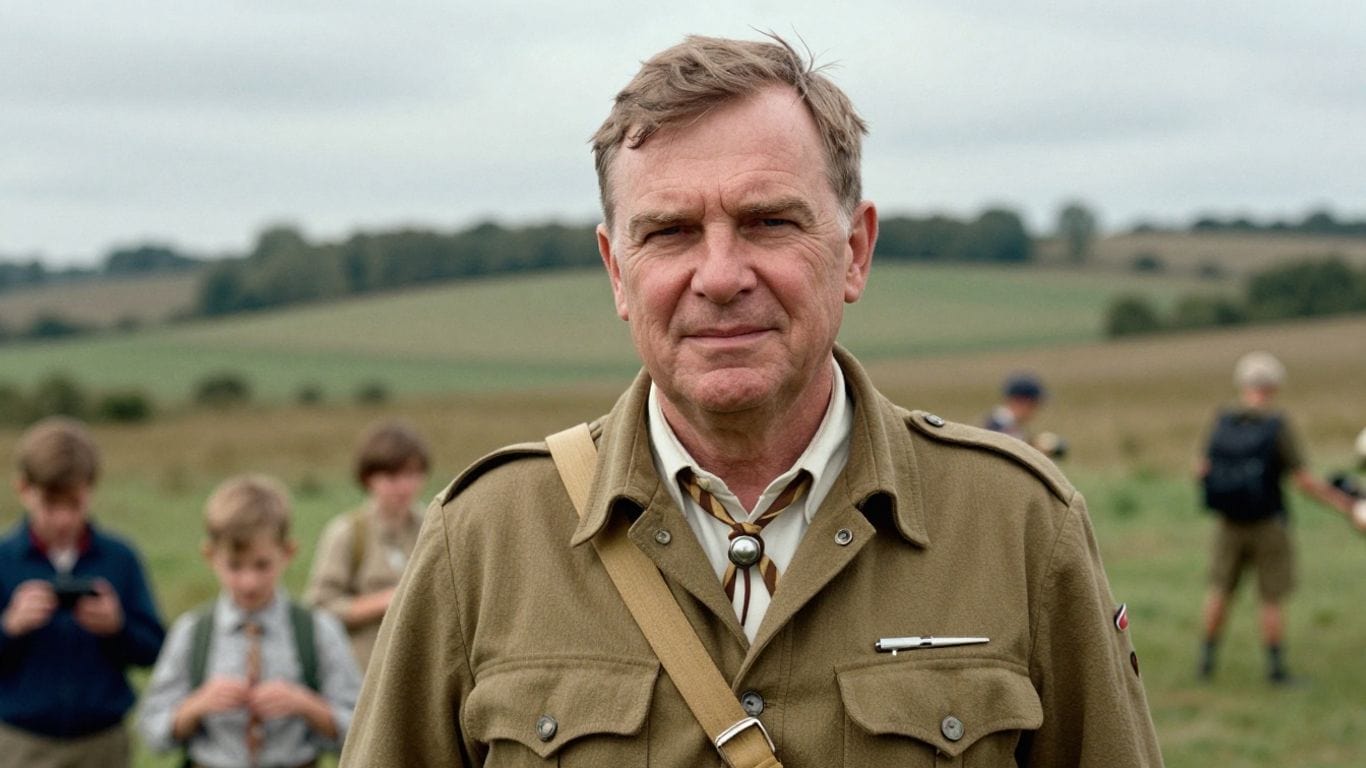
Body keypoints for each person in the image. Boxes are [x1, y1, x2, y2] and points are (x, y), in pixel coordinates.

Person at [341, 34, 1162, 766]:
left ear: (856, 252)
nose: (722, 276)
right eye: (669, 232)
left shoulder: (1017, 523)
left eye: (769, 222)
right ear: (615, 271)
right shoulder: (482, 539)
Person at [138, 474, 362, 767]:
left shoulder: (319, 631)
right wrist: (195, 706)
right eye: (234, 567)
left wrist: (306, 704)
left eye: (262, 565)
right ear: (210, 556)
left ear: (288, 553)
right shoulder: (191, 633)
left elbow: (361, 732)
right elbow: (151, 731)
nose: (248, 582)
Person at [0, 417, 165, 768]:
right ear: (23, 490)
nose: (62, 519)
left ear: (91, 488)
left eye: (73, 504)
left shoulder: (120, 558)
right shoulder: (3, 560)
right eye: (50, 504)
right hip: (20, 742)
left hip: (103, 742)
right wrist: (10, 627)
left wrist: (117, 627)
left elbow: (155, 649)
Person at [1196, 351, 1363, 684]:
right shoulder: (1276, 426)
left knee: (1220, 590)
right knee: (1271, 596)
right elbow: (1302, 480)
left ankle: (1206, 663)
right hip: (1268, 524)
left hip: (1228, 523)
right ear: (1273, 386)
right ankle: (1276, 670)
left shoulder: (1222, 420)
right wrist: (1345, 504)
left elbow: (1202, 469)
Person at [305, 420, 429, 670]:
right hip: (364, 673)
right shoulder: (347, 533)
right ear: (369, 478)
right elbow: (319, 609)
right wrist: (387, 600)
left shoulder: (434, 527)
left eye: (412, 474)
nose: (404, 487)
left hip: (424, 670)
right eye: (392, 477)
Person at [983, 372, 1066, 458]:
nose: (1036, 410)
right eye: (1035, 404)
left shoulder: (1006, 423)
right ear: (1022, 402)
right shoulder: (1000, 427)